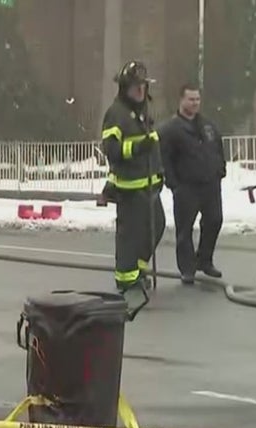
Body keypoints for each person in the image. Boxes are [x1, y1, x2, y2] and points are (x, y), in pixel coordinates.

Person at [99, 60, 166, 294]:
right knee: (130, 236)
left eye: (143, 87)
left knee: (156, 226)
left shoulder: (141, 111)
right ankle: (126, 278)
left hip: (149, 185)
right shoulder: (116, 114)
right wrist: (137, 149)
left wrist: (160, 173)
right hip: (130, 188)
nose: (140, 91)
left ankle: (137, 270)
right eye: (135, 87)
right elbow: (111, 150)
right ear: (125, 89)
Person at [159, 83, 226, 284]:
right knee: (184, 229)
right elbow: (164, 158)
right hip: (186, 186)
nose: (195, 103)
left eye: (197, 99)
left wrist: (220, 170)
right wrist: (173, 184)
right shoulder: (170, 129)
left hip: (210, 184)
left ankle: (205, 260)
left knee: (214, 221)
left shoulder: (208, 126)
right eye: (191, 99)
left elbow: (218, 147)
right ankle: (187, 268)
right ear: (181, 100)